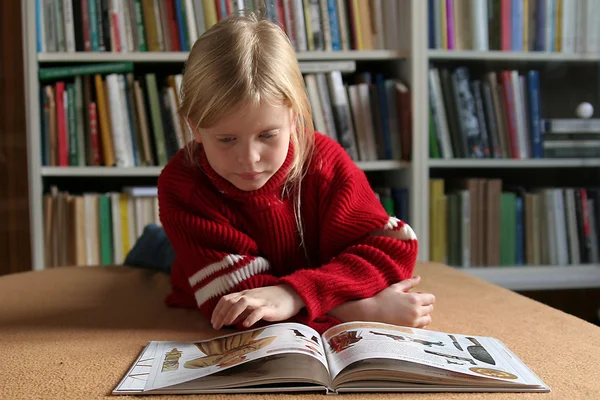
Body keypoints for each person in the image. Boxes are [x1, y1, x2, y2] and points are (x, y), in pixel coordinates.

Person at [157, 11, 435, 335]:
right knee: (160, 253)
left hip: (283, 266)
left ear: (293, 117)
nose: (249, 159)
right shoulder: (182, 185)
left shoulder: (324, 162)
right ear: (195, 129)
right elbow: (235, 306)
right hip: (210, 254)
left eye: (267, 135)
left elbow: (393, 249)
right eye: (226, 139)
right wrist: (361, 309)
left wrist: (290, 294)